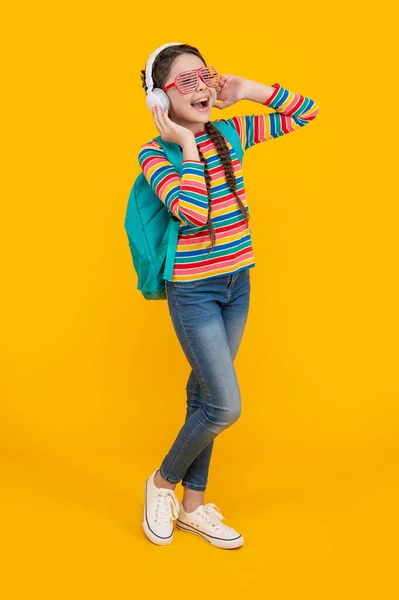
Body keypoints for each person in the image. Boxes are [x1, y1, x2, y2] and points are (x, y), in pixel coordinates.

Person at [139, 43, 320, 548]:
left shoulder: (232, 132)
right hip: (194, 292)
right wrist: (187, 144)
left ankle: (193, 508)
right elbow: (193, 212)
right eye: (185, 82)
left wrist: (246, 90)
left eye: (205, 76)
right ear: (158, 99)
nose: (201, 88)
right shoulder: (155, 154)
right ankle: (160, 484)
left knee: (203, 397)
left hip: (238, 282)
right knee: (224, 406)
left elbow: (306, 112)